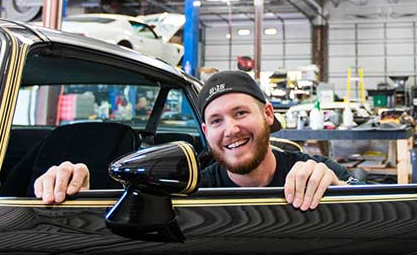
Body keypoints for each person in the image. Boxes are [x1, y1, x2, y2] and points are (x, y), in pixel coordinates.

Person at [35, 71, 357, 211]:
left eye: (241, 113)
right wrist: (79, 191)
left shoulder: (312, 171)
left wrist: (337, 190)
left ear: (268, 115)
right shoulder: (192, 186)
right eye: (216, 121)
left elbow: (380, 208)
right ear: (205, 132)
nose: (230, 129)